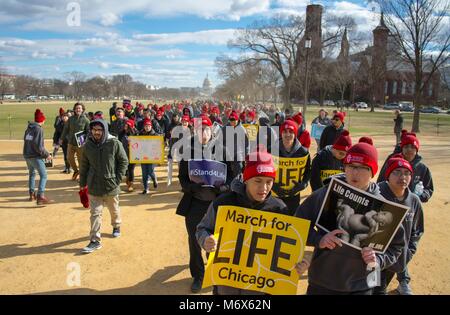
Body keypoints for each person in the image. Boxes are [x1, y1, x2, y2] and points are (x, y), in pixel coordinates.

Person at [295, 137, 405, 295]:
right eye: (351, 166)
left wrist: (379, 260)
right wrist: (318, 239)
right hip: (321, 282)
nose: (355, 172)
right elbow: (297, 225)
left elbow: (397, 247)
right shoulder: (326, 194)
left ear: (372, 172)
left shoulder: (384, 208)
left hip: (360, 286)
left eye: (363, 168)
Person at [196, 147, 307, 295]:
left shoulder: (279, 209)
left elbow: (285, 252)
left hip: (260, 288)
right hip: (225, 284)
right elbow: (202, 228)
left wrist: (297, 264)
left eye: (269, 181)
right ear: (246, 179)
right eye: (258, 181)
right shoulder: (224, 202)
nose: (264, 188)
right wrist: (206, 240)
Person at [176, 115, 230, 293]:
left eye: (206, 129)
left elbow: (235, 176)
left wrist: (223, 188)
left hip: (216, 204)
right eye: (199, 130)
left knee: (216, 241)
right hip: (195, 203)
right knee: (194, 240)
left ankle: (214, 272)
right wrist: (191, 187)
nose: (203, 133)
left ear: (211, 131)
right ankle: (198, 276)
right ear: (194, 131)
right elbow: (182, 178)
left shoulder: (223, 150)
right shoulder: (187, 150)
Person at [374, 156, 424, 295]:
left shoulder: (414, 201)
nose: (403, 176)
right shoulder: (376, 194)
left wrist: (409, 252)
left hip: (397, 258)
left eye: (407, 173)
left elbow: (417, 231)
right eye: (397, 172)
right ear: (388, 175)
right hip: (374, 259)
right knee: (375, 290)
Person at [79, 119, 128, 254]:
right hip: (94, 185)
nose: (96, 132)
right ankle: (95, 240)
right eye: (94, 130)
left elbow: (124, 161)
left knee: (114, 209)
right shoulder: (87, 146)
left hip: (111, 185)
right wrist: (82, 184)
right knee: (95, 213)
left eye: (99, 130)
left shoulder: (114, 143)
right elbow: (84, 166)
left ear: (104, 130)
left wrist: (117, 179)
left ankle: (116, 225)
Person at [377, 132, 433, 203]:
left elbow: (428, 188)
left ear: (416, 150)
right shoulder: (393, 163)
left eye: (412, 147)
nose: (409, 149)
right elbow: (381, 181)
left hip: (411, 204)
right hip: (390, 201)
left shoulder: (423, 168)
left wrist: (421, 197)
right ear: (402, 148)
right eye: (406, 146)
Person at [271, 120, 311, 215]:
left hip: (294, 196)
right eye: (285, 131)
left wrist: (303, 185)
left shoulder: (303, 152)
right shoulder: (271, 150)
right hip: (274, 194)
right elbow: (265, 171)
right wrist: (273, 186)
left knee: (290, 222)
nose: (288, 134)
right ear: (281, 133)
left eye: (291, 131)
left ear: (295, 134)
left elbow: (308, 172)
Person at [23, 109, 54, 205]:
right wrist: (47, 155)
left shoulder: (29, 128)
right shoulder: (39, 129)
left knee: (32, 174)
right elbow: (38, 146)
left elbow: (26, 140)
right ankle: (40, 196)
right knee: (43, 175)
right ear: (42, 120)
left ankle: (32, 194)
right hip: (35, 156)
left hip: (27, 155)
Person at [60, 102, 90, 181]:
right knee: (69, 158)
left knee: (81, 161)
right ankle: (76, 171)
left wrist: (86, 139)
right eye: (76, 108)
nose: (78, 110)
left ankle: (82, 175)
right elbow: (66, 129)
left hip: (80, 144)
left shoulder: (86, 120)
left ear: (82, 109)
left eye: (79, 108)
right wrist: (61, 138)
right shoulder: (71, 119)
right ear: (74, 109)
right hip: (71, 143)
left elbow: (89, 131)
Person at [139, 119, 159, 194]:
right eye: (146, 126)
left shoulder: (155, 135)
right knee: (144, 173)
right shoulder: (140, 134)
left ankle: (154, 179)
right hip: (143, 156)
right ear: (144, 127)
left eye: (148, 126)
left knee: (150, 171)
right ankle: (146, 188)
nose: (147, 127)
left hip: (152, 156)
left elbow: (159, 144)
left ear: (151, 126)